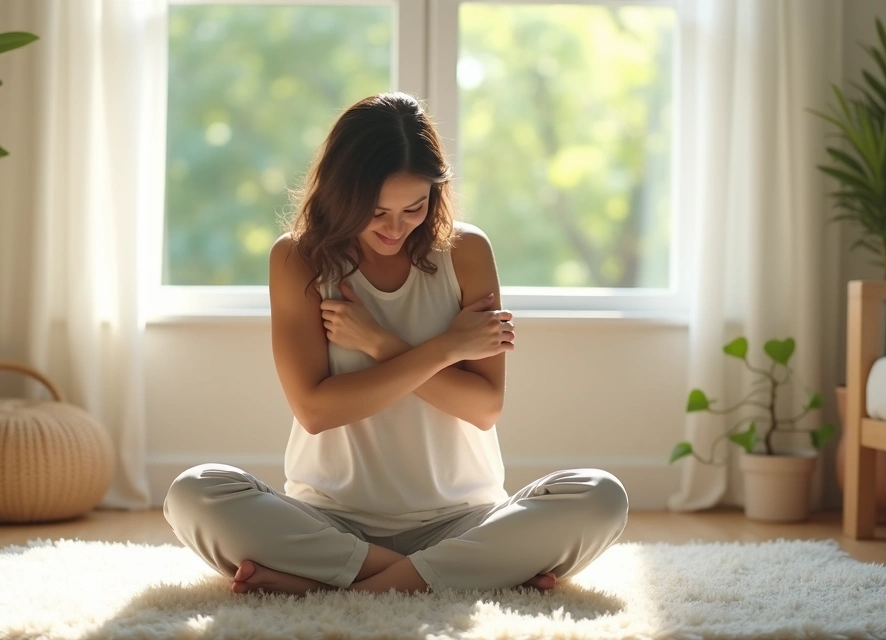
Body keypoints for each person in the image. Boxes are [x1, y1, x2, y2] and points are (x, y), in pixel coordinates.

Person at [163, 92, 628, 596]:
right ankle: (449, 576)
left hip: (464, 520)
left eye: (414, 207)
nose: (394, 227)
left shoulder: (466, 252)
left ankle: (335, 587)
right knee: (194, 493)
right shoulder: (298, 260)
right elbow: (316, 409)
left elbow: (484, 406)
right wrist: (444, 349)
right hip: (330, 521)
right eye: (376, 210)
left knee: (601, 497)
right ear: (340, 193)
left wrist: (382, 344)